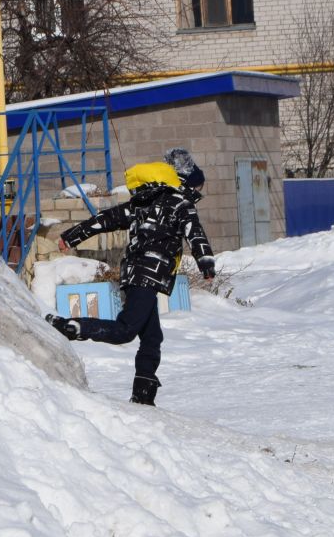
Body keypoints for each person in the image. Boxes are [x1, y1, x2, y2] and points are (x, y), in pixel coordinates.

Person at [47, 147, 216, 407]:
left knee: (152, 337)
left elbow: (105, 219)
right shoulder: (181, 205)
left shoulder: (142, 202)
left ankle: (143, 394)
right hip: (150, 274)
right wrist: (206, 263)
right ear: (186, 183)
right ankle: (73, 327)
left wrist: (71, 236)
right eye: (197, 185)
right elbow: (196, 235)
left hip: (135, 272)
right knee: (125, 330)